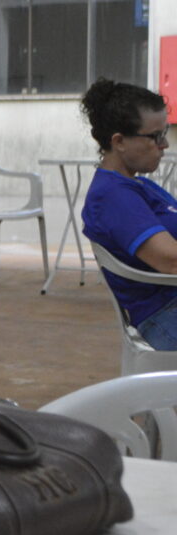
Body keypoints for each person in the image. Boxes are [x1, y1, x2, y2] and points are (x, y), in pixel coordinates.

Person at [80, 78, 177, 350]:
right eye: (156, 136)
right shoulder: (112, 196)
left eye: (165, 132)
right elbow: (171, 261)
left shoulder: (139, 186)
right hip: (164, 315)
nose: (164, 145)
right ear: (119, 141)